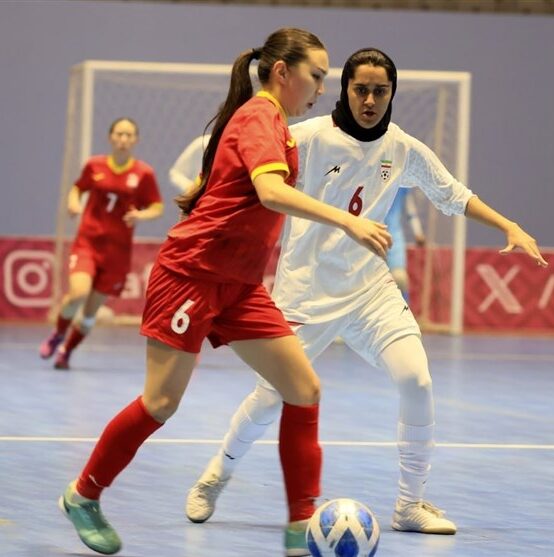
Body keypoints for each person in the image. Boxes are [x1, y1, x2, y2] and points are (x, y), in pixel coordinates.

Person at [184, 48, 548, 537]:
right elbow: (252, 170)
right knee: (271, 398)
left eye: (380, 91)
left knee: (417, 380)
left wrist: (510, 225)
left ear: (392, 93)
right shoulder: (308, 138)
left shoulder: (402, 148)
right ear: (344, 90)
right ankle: (216, 475)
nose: (370, 100)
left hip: (370, 292)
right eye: (361, 89)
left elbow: (453, 194)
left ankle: (410, 504)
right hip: (306, 293)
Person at [58, 29, 392, 557]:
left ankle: (299, 526)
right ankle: (83, 495)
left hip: (238, 285)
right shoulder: (260, 116)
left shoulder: (275, 122)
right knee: (161, 403)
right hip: (191, 275)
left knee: (303, 388)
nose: (323, 89)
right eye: (318, 76)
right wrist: (345, 223)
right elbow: (270, 191)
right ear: (283, 72)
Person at [39, 117, 164, 370]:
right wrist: (73, 203)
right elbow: (77, 189)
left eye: (129, 135)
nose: (123, 139)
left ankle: (67, 351)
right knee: (78, 294)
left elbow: (157, 206)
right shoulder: (94, 165)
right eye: (119, 134)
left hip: (117, 252)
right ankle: (58, 334)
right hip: (88, 242)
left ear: (135, 140)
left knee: (89, 313)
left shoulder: (143, 173)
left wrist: (141, 215)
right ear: (110, 137)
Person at [385, 188, 425, 301]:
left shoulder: (401, 184)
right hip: (370, 235)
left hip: (394, 237)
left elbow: (410, 210)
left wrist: (418, 232)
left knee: (399, 278)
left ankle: (404, 313)